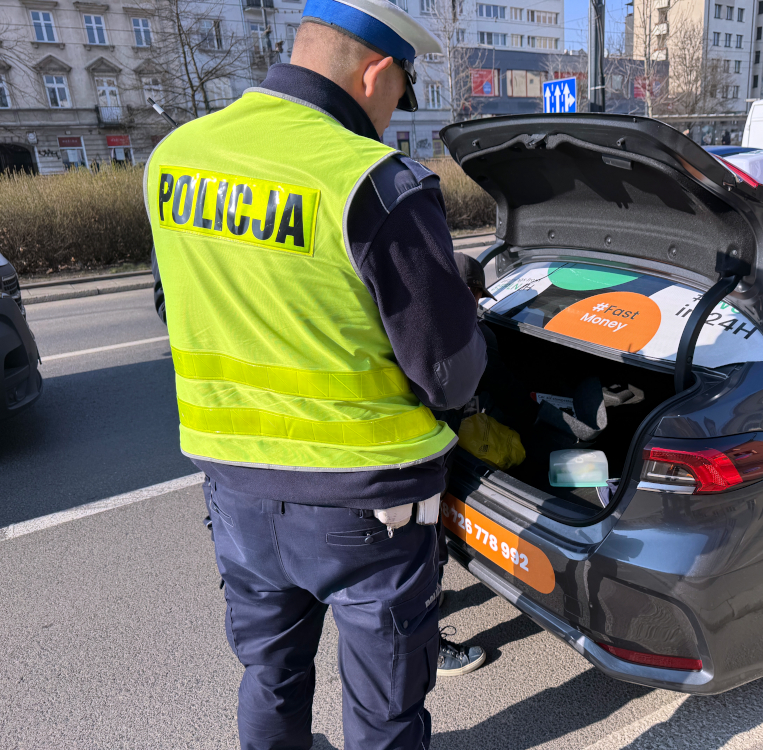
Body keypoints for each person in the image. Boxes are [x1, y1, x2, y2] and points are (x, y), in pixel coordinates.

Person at [144, 0, 487, 747]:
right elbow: (450, 373)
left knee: (270, 677)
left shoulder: (175, 157)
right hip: (367, 508)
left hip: (235, 488)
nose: (393, 119)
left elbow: (180, 302)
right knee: (383, 713)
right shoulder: (372, 180)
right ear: (375, 72)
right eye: (399, 97)